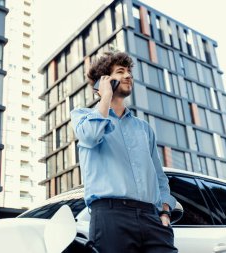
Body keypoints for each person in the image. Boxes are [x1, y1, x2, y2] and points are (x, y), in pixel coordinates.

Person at [70, 51, 178, 253]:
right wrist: (106, 96)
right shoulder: (82, 116)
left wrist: (165, 213)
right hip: (111, 217)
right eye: (120, 72)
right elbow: (91, 135)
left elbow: (159, 177)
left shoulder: (144, 128)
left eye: (129, 72)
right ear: (102, 81)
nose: (128, 75)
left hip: (152, 219)